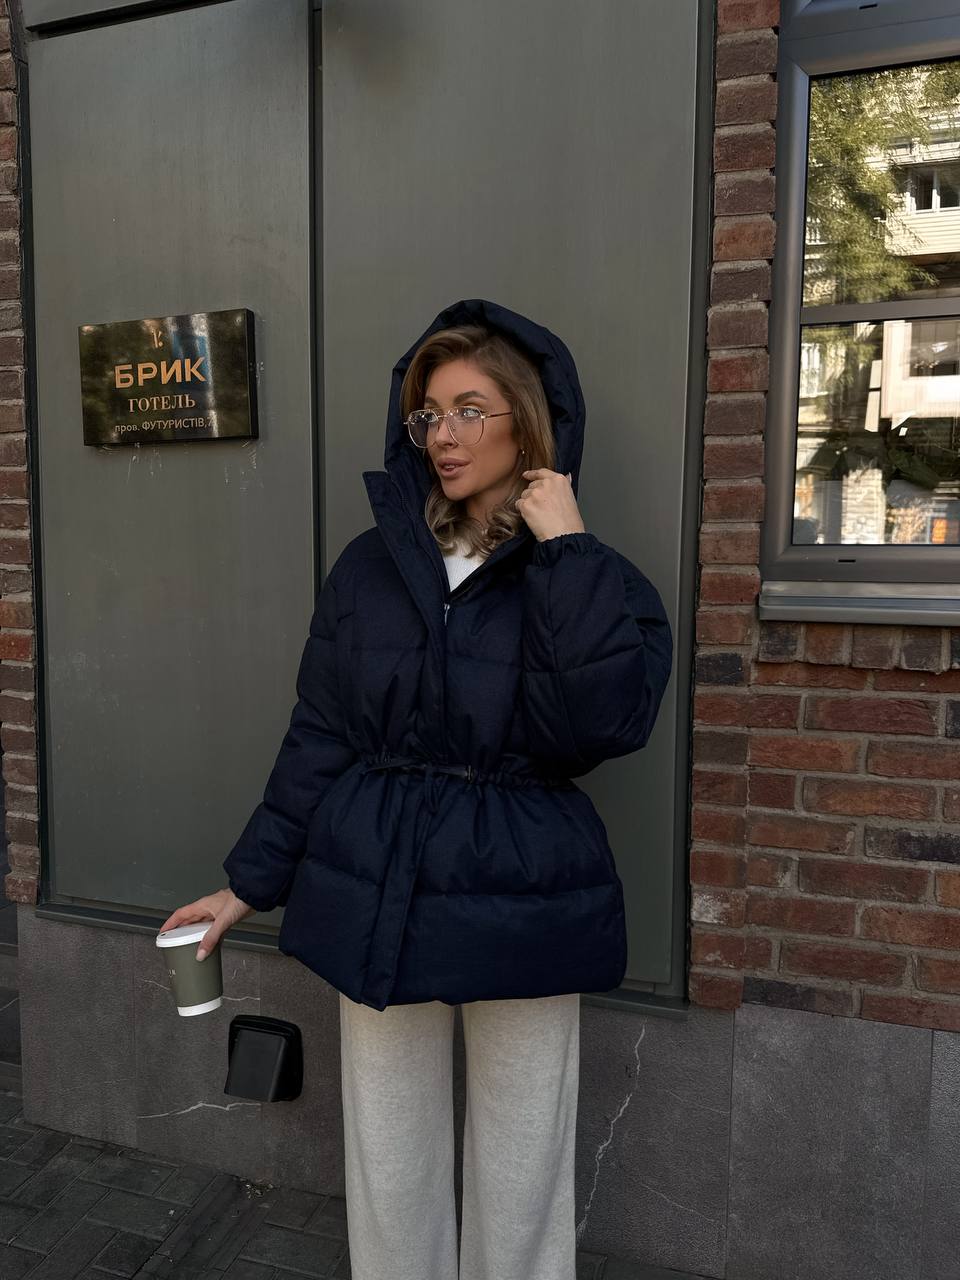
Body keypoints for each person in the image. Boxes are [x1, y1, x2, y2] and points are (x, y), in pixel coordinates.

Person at [159, 297, 673, 1280]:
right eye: (428, 414)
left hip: (522, 888)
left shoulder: (590, 572)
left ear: (526, 417)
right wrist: (245, 883)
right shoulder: (369, 568)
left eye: (470, 408)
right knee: (390, 1163)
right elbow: (320, 731)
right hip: (378, 882)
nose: (444, 434)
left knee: (523, 1168)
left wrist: (564, 549)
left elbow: (604, 725)